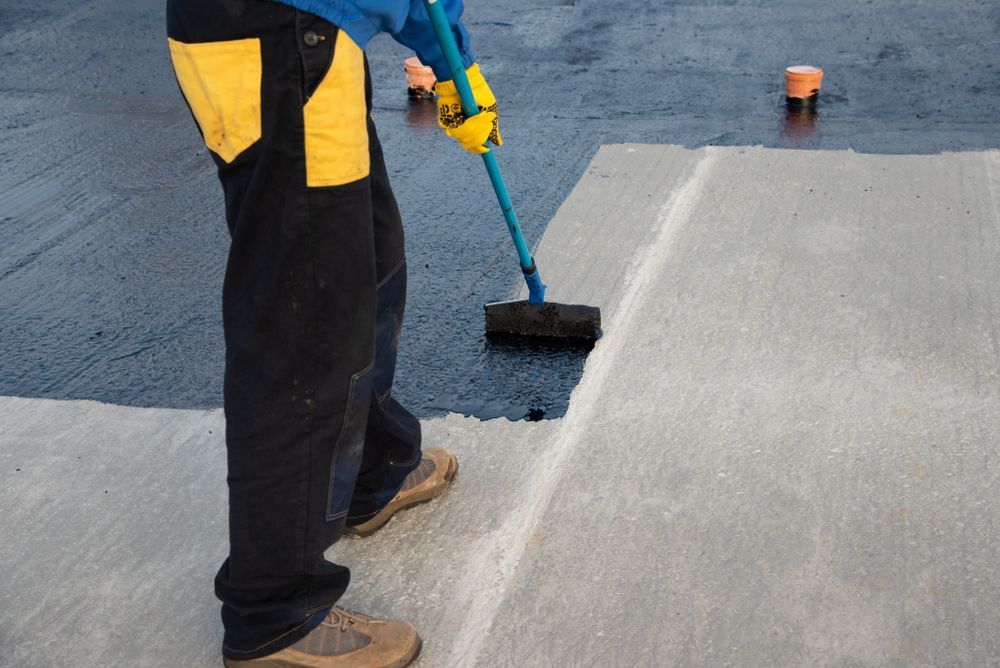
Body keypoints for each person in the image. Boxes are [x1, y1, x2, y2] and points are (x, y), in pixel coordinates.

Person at [165, 0, 502, 665]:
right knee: (307, 321)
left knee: (366, 259)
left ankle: (371, 470)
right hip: (283, 37)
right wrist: (452, 61)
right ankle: (275, 612)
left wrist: (448, 60)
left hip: (293, 36)